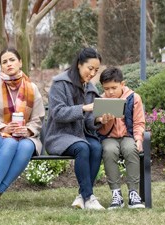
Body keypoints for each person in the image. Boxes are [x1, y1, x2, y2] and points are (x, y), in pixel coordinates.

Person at [0, 47, 45, 212]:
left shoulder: (31, 88)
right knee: (11, 143)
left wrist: (27, 130)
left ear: (20, 62)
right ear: (1, 66)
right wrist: (5, 127)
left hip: (25, 135)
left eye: (12, 60)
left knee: (27, 146)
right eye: (4, 61)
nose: (9, 64)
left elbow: (38, 118)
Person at [44, 47, 111, 210]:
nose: (93, 73)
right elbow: (57, 113)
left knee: (96, 147)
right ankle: (89, 197)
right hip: (59, 136)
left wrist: (99, 119)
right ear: (79, 64)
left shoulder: (91, 89)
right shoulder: (60, 84)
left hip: (81, 134)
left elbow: (89, 122)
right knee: (83, 148)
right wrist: (84, 108)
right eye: (90, 68)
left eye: (96, 70)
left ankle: (82, 196)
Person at [98, 67, 146, 209]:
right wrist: (105, 120)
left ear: (122, 84)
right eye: (106, 88)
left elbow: (139, 122)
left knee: (131, 149)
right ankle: (116, 194)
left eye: (114, 87)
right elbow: (100, 128)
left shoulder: (134, 98)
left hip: (128, 136)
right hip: (109, 138)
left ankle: (133, 193)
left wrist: (138, 139)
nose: (110, 92)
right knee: (109, 151)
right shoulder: (101, 100)